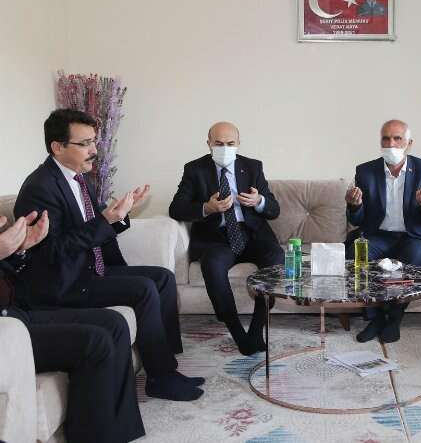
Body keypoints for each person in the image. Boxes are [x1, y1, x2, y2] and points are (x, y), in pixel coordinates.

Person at [13, 109, 203, 401]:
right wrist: (105, 221)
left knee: (163, 277)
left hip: (90, 269)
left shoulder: (77, 178)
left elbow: (97, 224)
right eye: (85, 143)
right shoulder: (40, 188)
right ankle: (160, 379)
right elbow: (52, 250)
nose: (94, 150)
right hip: (65, 283)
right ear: (57, 147)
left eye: (94, 142)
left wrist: (121, 214)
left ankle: (166, 364)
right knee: (144, 289)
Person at [0, 210, 145, 443]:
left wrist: (20, 249)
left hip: (15, 312)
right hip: (6, 333)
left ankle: (120, 432)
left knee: (114, 323)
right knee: (94, 342)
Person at [169, 121, 283, 355]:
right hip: (216, 237)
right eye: (219, 144)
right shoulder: (194, 169)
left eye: (230, 144)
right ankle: (237, 332)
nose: (225, 148)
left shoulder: (253, 167)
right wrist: (206, 208)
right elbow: (176, 208)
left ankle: (256, 329)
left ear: (238, 144)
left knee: (276, 257)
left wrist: (259, 202)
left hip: (252, 233)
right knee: (212, 265)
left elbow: (274, 209)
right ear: (209, 143)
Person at [345, 119, 421, 343]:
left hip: (413, 235)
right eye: (386, 139)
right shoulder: (365, 171)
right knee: (356, 254)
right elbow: (357, 220)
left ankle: (394, 318)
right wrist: (354, 205)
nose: (391, 144)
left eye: (397, 138)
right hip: (378, 235)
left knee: (415, 255)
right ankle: (375, 317)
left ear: (409, 143)